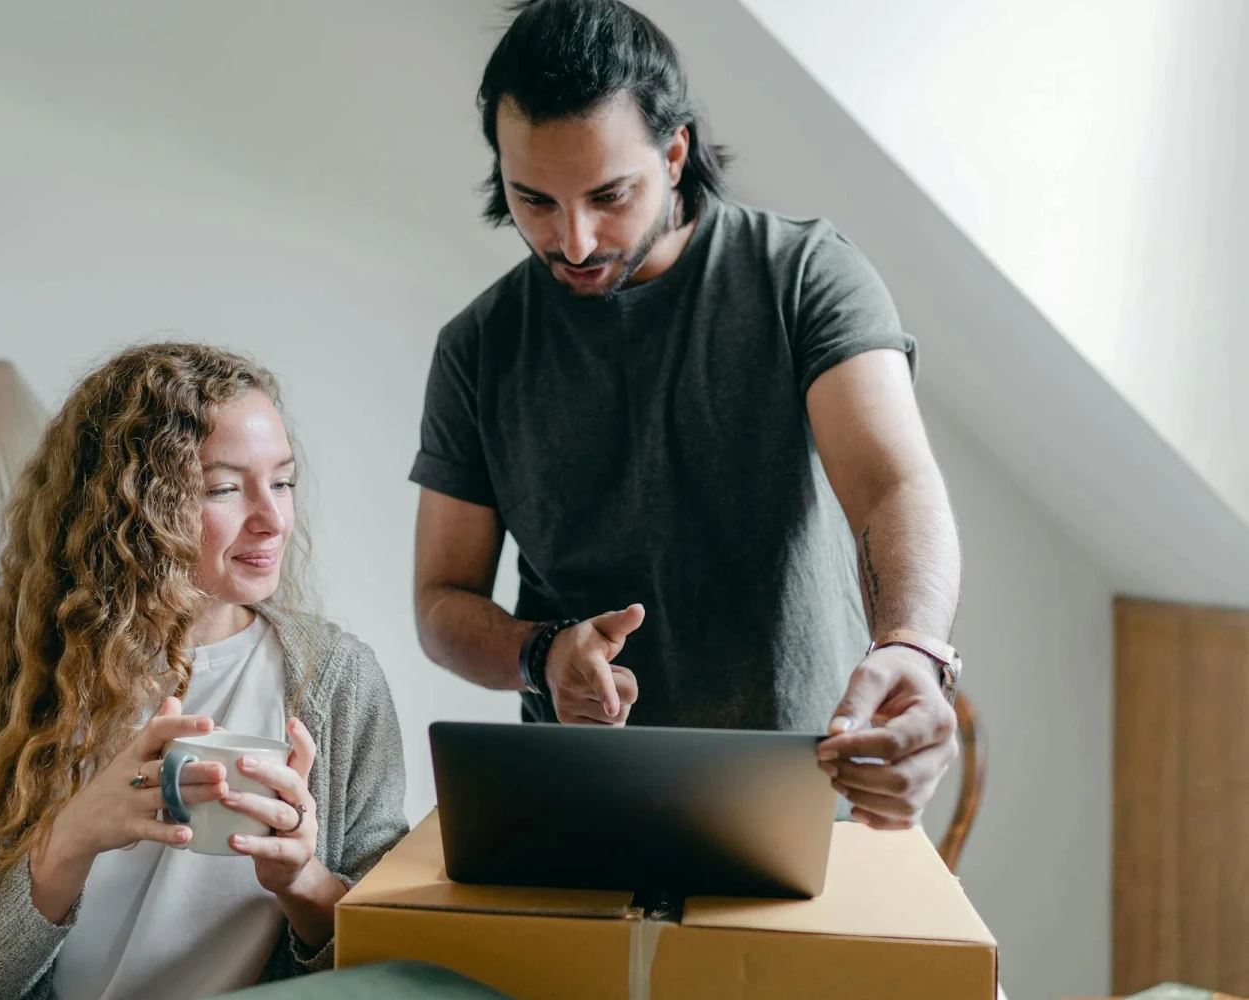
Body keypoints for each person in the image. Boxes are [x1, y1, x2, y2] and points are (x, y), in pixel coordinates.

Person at [411, 0, 963, 830]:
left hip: (807, 791)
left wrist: (912, 650)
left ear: (675, 153)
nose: (576, 239)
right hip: (582, 804)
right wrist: (541, 654)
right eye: (534, 201)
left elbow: (894, 485)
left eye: (610, 195)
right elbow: (442, 601)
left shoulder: (805, 277)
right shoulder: (478, 347)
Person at [0, 343, 407, 1000]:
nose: (272, 518)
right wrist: (72, 835)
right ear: (131, 512)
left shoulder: (336, 683)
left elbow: (392, 962)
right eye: (224, 488)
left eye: (282, 481)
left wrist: (302, 879)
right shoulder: (35, 679)